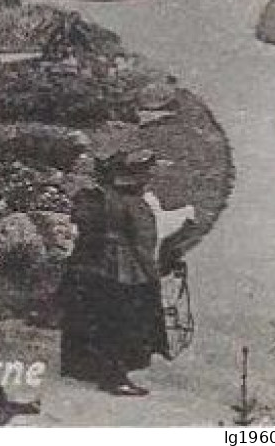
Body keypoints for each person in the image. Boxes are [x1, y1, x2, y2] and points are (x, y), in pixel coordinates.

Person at [59, 149, 183, 395]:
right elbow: (143, 243)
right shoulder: (134, 203)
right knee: (122, 323)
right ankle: (115, 378)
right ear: (135, 176)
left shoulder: (96, 197)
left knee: (91, 317)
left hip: (87, 265)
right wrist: (154, 274)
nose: (148, 176)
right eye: (145, 172)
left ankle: (81, 367)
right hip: (122, 271)